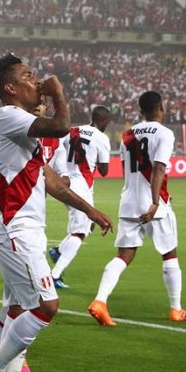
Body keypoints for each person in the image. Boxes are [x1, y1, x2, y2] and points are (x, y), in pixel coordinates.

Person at [0, 54, 113, 372]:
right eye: (28, 77)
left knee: (20, 309)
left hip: (24, 230)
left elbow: (50, 182)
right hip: (16, 232)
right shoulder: (8, 116)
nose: (38, 82)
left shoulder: (20, 131)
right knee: (46, 306)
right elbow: (62, 126)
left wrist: (90, 210)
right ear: (10, 89)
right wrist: (59, 93)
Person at [0, 101, 68, 372]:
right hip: (16, 226)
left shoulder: (51, 142)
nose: (38, 109)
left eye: (42, 107)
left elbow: (59, 179)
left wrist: (63, 185)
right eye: (34, 106)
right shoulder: (7, 127)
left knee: (18, 297)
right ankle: (4, 363)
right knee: (34, 301)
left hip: (33, 223)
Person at [88, 91, 186, 327]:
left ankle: (100, 301)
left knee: (123, 256)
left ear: (140, 110)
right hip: (152, 204)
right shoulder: (165, 133)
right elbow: (158, 168)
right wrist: (156, 200)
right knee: (169, 254)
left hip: (128, 200)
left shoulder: (128, 134)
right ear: (161, 107)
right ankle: (176, 309)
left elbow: (127, 167)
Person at [49, 105, 112, 289]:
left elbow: (59, 152)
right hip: (81, 185)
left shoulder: (72, 131)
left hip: (66, 182)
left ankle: (58, 250)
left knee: (87, 225)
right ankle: (54, 275)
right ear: (103, 121)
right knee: (80, 232)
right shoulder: (101, 138)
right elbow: (104, 170)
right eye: (107, 122)